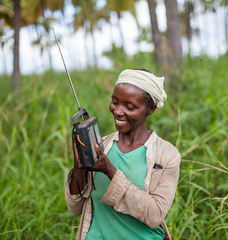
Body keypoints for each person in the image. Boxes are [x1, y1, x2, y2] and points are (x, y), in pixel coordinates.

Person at [65, 69, 181, 240]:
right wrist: (80, 164)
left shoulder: (166, 155)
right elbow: (75, 208)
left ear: (150, 109)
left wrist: (110, 171)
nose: (118, 111)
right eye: (115, 102)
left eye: (129, 107)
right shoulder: (101, 146)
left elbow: (155, 214)